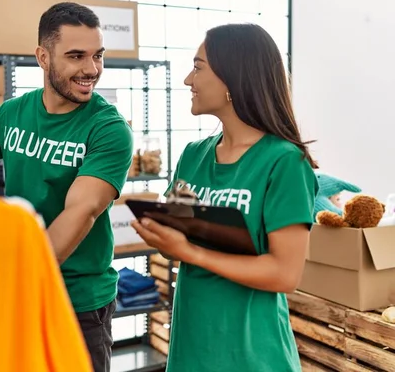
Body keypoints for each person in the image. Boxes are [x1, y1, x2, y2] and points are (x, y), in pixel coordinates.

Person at [0, 2, 133, 372]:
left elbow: (81, 212)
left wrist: (19, 277)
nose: (92, 69)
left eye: (98, 55)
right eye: (76, 56)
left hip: (78, 303)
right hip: (20, 286)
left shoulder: (108, 128)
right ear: (42, 56)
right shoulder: (13, 113)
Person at [131, 23, 319, 372]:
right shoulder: (193, 155)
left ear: (233, 78)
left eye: (198, 67)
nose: (188, 80)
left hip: (253, 357)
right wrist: (165, 231)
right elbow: (174, 244)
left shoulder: (285, 163)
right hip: (191, 351)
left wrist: (191, 251)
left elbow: (284, 274)